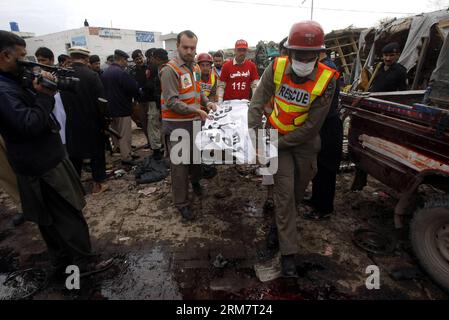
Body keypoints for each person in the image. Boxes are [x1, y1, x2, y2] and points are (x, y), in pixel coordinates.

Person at [0, 30, 112, 276]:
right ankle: (84, 264)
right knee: (68, 215)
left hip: (33, 163)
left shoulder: (12, 83)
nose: (27, 61)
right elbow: (28, 123)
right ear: (6, 56)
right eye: (22, 56)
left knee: (47, 219)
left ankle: (60, 262)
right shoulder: (4, 90)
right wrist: (44, 96)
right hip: (44, 165)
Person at [248, 21, 338, 277]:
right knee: (285, 195)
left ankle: (279, 226)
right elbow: (255, 105)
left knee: (297, 194)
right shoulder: (275, 67)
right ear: (289, 52)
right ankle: (288, 255)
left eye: (310, 55)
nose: (303, 59)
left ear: (319, 54)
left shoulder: (327, 79)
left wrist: (275, 143)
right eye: (298, 54)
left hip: (304, 144)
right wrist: (257, 141)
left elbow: (312, 127)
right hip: (278, 140)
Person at [160, 30, 217, 221]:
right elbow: (172, 101)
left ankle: (195, 183)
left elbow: (198, 90)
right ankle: (182, 203)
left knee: (194, 159)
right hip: (176, 126)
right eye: (185, 47)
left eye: (192, 48)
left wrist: (206, 102)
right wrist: (197, 111)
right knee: (179, 167)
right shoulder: (170, 70)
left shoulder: (194, 68)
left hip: (193, 123)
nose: (189, 51)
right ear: (177, 46)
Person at [352, 42, 408, 191]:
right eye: (385, 55)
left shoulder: (401, 71)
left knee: (380, 144)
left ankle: (385, 176)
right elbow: (372, 87)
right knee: (362, 141)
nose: (388, 58)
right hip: (372, 108)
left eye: (391, 55)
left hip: (386, 111)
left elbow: (403, 94)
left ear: (397, 55)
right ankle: (360, 176)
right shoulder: (378, 68)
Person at [61, 46, 109, 195]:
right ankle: (98, 184)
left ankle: (76, 187)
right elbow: (101, 101)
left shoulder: (63, 75)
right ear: (87, 59)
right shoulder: (91, 75)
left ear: (71, 58)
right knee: (96, 153)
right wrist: (104, 121)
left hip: (71, 121)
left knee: (75, 154)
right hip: (91, 121)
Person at [302, 51, 343, 221]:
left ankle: (324, 208)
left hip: (328, 125)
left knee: (326, 168)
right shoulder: (323, 66)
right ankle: (316, 199)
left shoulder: (327, 69)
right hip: (322, 123)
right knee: (318, 166)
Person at [101, 49, 139, 165]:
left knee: (116, 134)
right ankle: (127, 157)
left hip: (109, 109)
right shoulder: (121, 73)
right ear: (122, 60)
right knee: (124, 135)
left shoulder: (105, 72)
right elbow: (133, 87)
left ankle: (119, 150)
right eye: (126, 60)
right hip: (122, 109)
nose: (127, 63)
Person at [35, 47, 67, 145]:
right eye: (38, 60)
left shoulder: (61, 74)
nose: (40, 62)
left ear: (52, 60)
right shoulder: (38, 76)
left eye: (43, 60)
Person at [130, 49, 152, 149]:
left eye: (140, 58)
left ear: (142, 57)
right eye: (136, 59)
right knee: (144, 123)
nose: (139, 60)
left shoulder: (149, 68)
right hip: (140, 101)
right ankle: (149, 141)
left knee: (153, 123)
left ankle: (156, 143)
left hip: (150, 100)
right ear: (133, 61)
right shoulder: (132, 71)